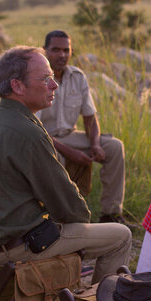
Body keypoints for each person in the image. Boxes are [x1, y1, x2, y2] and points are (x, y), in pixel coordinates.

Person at [0, 45, 132, 286]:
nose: (55, 85)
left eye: (53, 77)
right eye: (46, 79)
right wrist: (80, 218)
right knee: (121, 236)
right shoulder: (27, 131)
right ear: (17, 86)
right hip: (15, 248)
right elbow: (70, 207)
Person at [38, 30, 126, 223]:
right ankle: (60, 220)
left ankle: (111, 214)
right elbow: (35, 128)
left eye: (66, 50)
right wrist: (70, 152)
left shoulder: (77, 77)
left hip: (70, 135)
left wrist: (95, 143)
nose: (61, 55)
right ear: (45, 51)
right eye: (55, 50)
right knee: (57, 158)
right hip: (43, 139)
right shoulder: (38, 78)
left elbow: (90, 117)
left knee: (114, 147)